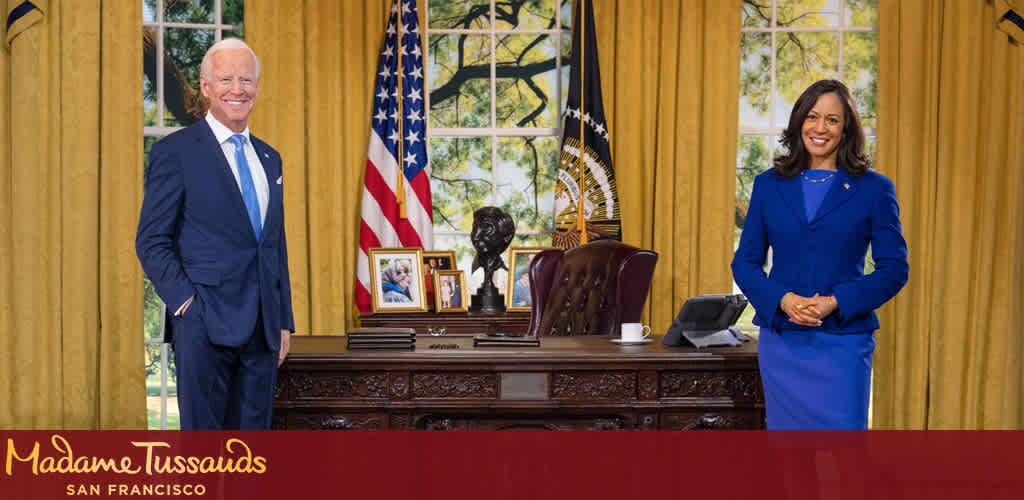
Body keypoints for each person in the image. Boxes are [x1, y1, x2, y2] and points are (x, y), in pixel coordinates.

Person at [731, 79, 908, 430]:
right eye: (812, 116)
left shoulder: (874, 189)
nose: (820, 128)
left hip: (843, 341)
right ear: (799, 122)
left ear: (846, 129)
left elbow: (894, 268)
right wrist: (783, 299)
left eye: (832, 119)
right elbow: (745, 263)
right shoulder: (769, 185)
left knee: (842, 461)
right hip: (783, 342)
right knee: (789, 461)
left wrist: (835, 301)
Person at [136, 38, 294, 430]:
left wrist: (284, 319)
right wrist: (187, 306)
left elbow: (274, 246)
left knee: (250, 459)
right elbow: (151, 241)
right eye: (225, 79)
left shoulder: (270, 157)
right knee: (204, 458)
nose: (237, 89)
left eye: (246, 80)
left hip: (263, 331)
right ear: (206, 87)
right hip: (203, 327)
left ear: (257, 86)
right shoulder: (176, 152)